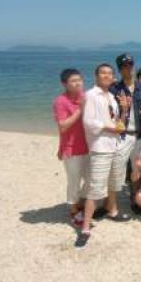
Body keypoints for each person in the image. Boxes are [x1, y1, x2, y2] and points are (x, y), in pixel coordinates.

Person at [77, 63, 131, 248]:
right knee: (95, 188)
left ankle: (112, 210)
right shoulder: (91, 95)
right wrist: (111, 129)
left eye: (110, 73)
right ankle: (85, 228)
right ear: (96, 76)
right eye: (103, 73)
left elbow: (119, 124)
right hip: (100, 148)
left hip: (114, 145)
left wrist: (125, 109)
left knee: (114, 182)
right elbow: (88, 122)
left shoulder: (112, 97)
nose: (107, 76)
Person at [52, 68, 89, 227]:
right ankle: (74, 209)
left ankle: (80, 201)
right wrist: (80, 110)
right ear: (64, 84)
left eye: (79, 80)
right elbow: (63, 126)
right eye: (73, 81)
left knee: (92, 178)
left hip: (89, 145)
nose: (78, 83)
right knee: (74, 181)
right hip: (72, 148)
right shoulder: (60, 101)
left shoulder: (85, 97)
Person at [110, 53, 141, 171]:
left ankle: (135, 185)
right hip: (121, 136)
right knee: (117, 169)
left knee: (137, 169)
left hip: (139, 136)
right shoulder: (114, 89)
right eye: (125, 66)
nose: (129, 68)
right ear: (119, 70)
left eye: (131, 64)